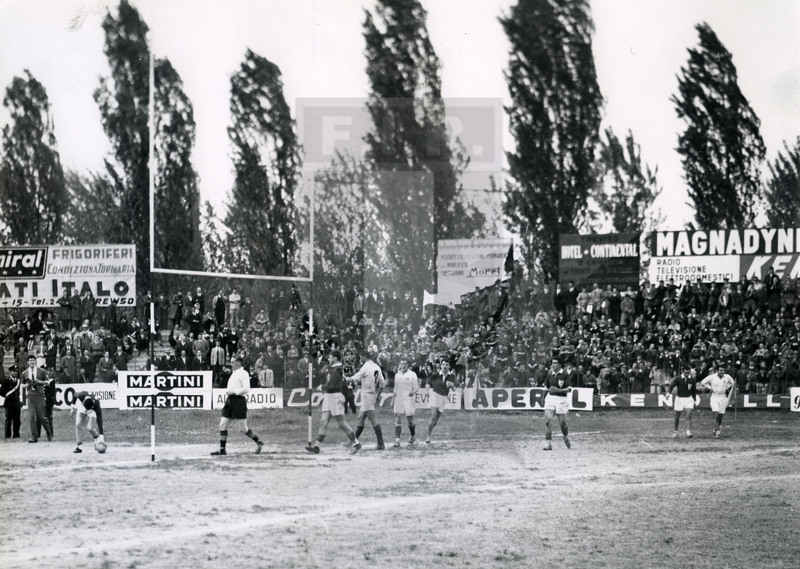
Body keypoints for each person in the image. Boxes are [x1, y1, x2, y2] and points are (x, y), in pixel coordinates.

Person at [305, 349, 361, 454]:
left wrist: (322, 387)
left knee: (341, 423)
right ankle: (317, 446)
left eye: (330, 357)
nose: (329, 359)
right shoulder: (333, 368)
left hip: (335, 397)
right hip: (328, 396)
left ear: (335, 358)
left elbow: (331, 385)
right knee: (323, 422)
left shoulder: (338, 369)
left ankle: (356, 443)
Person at [211, 355, 264, 456]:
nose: (231, 364)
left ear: (239, 363)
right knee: (223, 424)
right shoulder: (233, 373)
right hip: (229, 400)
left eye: (233, 362)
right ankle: (222, 449)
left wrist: (234, 392)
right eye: (231, 362)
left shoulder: (244, 373)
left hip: (239, 401)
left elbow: (247, 388)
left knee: (243, 428)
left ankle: (258, 442)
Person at [349, 351, 387, 451]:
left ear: (365, 357)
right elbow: (383, 384)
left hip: (367, 395)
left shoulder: (366, 366)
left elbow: (356, 377)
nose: (360, 359)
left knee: (373, 419)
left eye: (361, 357)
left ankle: (381, 443)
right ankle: (354, 441)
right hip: (372, 394)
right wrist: (377, 396)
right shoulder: (377, 367)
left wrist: (345, 379)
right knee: (360, 418)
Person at [22, 355, 53, 443]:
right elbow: (22, 384)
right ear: (27, 362)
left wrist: (39, 382)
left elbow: (47, 382)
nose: (32, 362)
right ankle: (34, 437)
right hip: (30, 396)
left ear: (35, 361)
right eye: (30, 360)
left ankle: (48, 432)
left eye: (33, 360)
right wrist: (26, 385)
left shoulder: (41, 371)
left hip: (39, 396)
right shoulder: (24, 373)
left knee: (42, 417)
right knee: (31, 417)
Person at [543, 358, 571, 450]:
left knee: (562, 423)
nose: (553, 365)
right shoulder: (550, 373)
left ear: (560, 365)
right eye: (552, 363)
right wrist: (543, 398)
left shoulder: (565, 374)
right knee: (547, 421)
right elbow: (546, 387)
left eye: (555, 363)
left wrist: (557, 390)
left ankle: (566, 437)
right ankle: (548, 444)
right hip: (550, 398)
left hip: (561, 399)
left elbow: (569, 389)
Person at [700, 363, 735, 438]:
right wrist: (710, 388)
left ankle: (715, 428)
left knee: (720, 416)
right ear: (717, 371)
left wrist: (727, 387)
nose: (722, 372)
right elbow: (703, 382)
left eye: (723, 370)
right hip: (714, 397)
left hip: (723, 397)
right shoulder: (712, 377)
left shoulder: (727, 377)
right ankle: (718, 431)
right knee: (716, 413)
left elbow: (733, 383)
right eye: (720, 370)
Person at [425, 359, 456, 444]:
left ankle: (428, 430)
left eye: (446, 364)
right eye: (443, 364)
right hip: (434, 395)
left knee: (436, 420)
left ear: (449, 366)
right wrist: (427, 391)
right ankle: (428, 436)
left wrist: (453, 387)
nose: (445, 366)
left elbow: (454, 389)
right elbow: (428, 382)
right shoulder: (436, 374)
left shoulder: (451, 376)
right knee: (433, 416)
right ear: (441, 366)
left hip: (443, 397)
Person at [392, 357, 419, 447]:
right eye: (402, 364)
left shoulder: (412, 374)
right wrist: (393, 399)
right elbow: (395, 388)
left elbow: (416, 387)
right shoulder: (397, 375)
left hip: (408, 399)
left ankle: (412, 436)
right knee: (398, 419)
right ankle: (397, 440)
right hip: (399, 399)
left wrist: (413, 392)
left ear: (408, 365)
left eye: (405, 364)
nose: (403, 366)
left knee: (410, 421)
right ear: (400, 365)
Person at [667, 368, 698, 439]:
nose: (687, 374)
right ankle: (675, 432)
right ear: (683, 372)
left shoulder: (692, 380)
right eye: (685, 373)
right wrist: (668, 393)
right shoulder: (678, 378)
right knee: (677, 416)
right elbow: (671, 386)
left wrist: (695, 400)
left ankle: (688, 431)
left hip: (689, 399)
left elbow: (693, 391)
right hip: (679, 399)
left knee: (689, 414)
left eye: (688, 373)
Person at [1, 365, 22, 438]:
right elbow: (1, 392)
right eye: (13, 371)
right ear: (10, 372)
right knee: (8, 420)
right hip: (9, 403)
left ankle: (16, 434)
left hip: (16, 403)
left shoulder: (18, 381)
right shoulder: (6, 381)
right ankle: (8, 434)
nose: (15, 373)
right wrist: (8, 396)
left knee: (17, 420)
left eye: (16, 371)